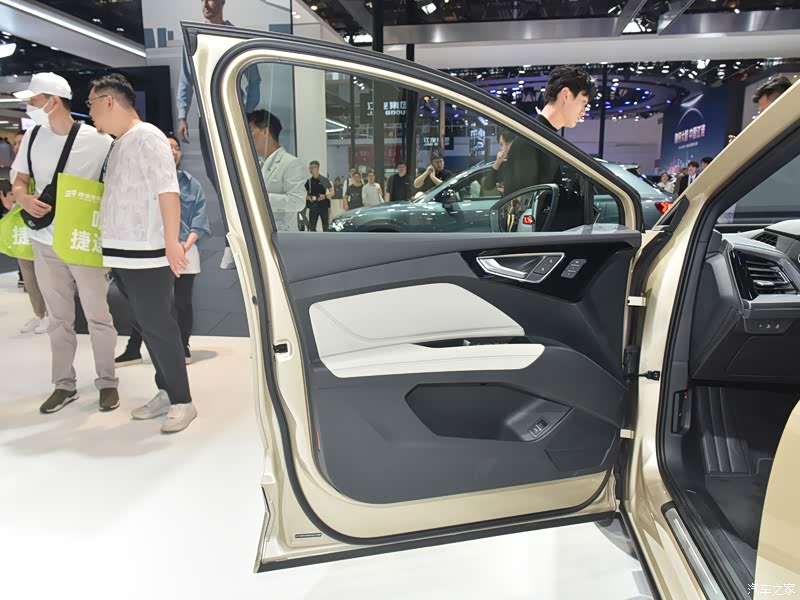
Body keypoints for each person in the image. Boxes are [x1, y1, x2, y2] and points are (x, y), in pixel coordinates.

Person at [88, 73, 197, 433]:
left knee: (159, 327)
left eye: (91, 104)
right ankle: (166, 391)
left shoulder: (148, 137)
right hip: (122, 253)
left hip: (146, 254)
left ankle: (182, 401)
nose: (90, 112)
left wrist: (171, 242)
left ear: (108, 101)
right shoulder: (119, 143)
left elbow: (168, 190)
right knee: (147, 327)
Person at [11, 72, 118, 413]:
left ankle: (107, 382)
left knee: (98, 315)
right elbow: (19, 181)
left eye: (34, 101)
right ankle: (63, 384)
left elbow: (114, 184)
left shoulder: (98, 140)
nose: (30, 108)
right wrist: (23, 198)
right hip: (45, 240)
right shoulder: (32, 137)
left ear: (53, 102)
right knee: (59, 318)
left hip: (84, 240)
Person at [175, 0, 262, 271]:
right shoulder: (194, 37)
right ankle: (231, 242)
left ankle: (247, 241)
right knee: (219, 183)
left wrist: (247, 113)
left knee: (238, 181)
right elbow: (186, 80)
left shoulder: (236, 36)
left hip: (232, 118)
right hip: (207, 121)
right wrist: (182, 115)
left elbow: (255, 79)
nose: (205, 4)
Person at [115, 134, 210, 368]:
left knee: (182, 302)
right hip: (152, 250)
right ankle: (134, 348)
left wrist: (184, 246)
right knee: (146, 304)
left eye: (176, 147)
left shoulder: (191, 183)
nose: (173, 151)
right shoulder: (143, 183)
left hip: (185, 250)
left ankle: (183, 347)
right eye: (168, 147)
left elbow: (199, 218)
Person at [485, 66, 594, 205]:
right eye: (583, 103)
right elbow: (525, 208)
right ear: (566, 94)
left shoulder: (544, 138)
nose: (583, 112)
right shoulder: (532, 141)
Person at [2, 130, 49, 332]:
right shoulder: (15, 171)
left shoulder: (42, 164)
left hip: (44, 225)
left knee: (47, 274)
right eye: (15, 143)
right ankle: (39, 314)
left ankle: (53, 315)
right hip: (23, 226)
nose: (18, 146)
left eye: (22, 142)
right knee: (28, 274)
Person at [247, 109, 306, 231]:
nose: (248, 136)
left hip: (282, 235)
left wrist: (265, 198)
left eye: (251, 131)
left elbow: (298, 201)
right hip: (259, 233)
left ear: (265, 132)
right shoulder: (257, 165)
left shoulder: (291, 163)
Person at [304, 160, 333, 232]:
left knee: (325, 227)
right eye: (310, 168)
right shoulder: (309, 181)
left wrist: (325, 196)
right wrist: (307, 197)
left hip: (324, 207)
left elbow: (332, 192)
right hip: (313, 207)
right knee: (312, 227)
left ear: (317, 168)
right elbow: (304, 193)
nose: (311, 169)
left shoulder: (324, 180)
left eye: (313, 167)